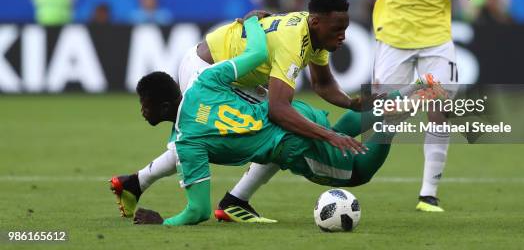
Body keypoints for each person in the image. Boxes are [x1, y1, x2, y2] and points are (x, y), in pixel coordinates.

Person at [130, 16, 440, 226]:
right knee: (337, 129)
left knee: (358, 171)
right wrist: (251, 20)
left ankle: (401, 111)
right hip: (296, 112)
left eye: (145, 106)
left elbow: (197, 211)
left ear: (165, 106)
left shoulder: (188, 142)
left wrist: (164, 222)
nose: (142, 112)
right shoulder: (207, 80)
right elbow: (256, 50)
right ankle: (409, 90)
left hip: (291, 143)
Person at [332, 0, 505, 212]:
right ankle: (340, 161)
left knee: (439, 109)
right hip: (392, 40)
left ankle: (428, 194)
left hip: (436, 39)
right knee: (384, 117)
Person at [110, 0, 367, 221]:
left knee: (278, 130)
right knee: (268, 127)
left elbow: (322, 84)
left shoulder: (315, 31)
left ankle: (143, 185)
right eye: (337, 29)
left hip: (232, 76)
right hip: (207, 71)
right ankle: (229, 200)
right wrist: (329, 135)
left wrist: (351, 102)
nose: (342, 36)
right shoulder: (294, 41)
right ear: (316, 22)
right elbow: (279, 109)